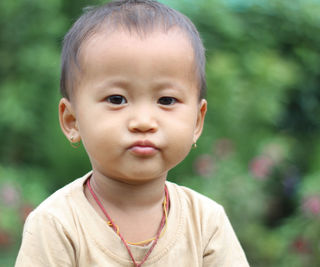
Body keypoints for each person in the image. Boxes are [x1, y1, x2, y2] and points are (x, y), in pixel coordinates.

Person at [15, 0, 249, 266]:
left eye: (166, 100)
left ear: (197, 121)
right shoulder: (57, 224)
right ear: (72, 120)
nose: (143, 122)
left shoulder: (206, 223)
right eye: (116, 99)